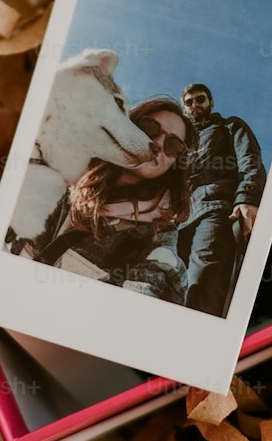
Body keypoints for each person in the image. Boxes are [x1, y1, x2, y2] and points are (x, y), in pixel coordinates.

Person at [13, 97, 198, 304]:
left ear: (175, 164)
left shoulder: (158, 238)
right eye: (149, 127)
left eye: (173, 145)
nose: (158, 143)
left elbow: (151, 285)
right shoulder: (59, 180)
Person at [179, 83, 266, 318]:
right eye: (189, 102)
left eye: (201, 99)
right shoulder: (179, 143)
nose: (195, 105)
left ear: (210, 103)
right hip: (177, 221)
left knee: (203, 278)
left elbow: (249, 160)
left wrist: (248, 197)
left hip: (216, 209)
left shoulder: (229, 127)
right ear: (183, 107)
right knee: (173, 284)